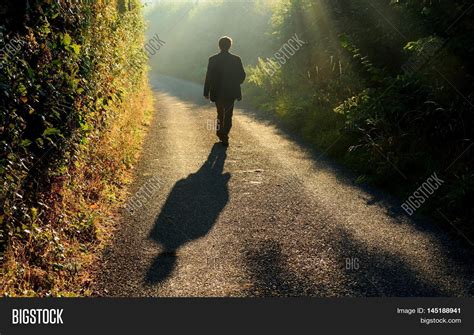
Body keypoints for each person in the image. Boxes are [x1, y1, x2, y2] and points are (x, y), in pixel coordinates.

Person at [204, 36, 246, 146]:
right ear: (230, 45)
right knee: (228, 115)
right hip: (231, 92)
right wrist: (236, 83)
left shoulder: (212, 59)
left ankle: (220, 133)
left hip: (217, 92)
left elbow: (208, 77)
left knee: (220, 114)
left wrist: (206, 91)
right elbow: (242, 75)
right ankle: (225, 135)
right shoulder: (236, 59)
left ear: (219, 46)